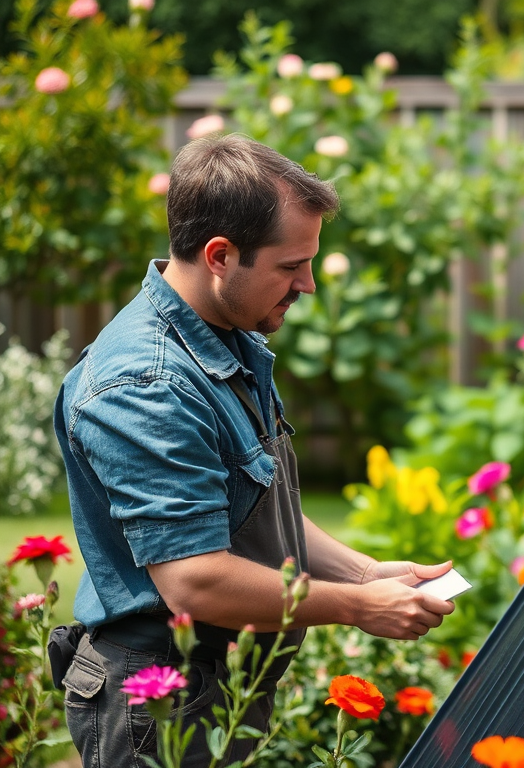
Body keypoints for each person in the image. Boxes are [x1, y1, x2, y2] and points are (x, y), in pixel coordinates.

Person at [51, 133, 455, 768]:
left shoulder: (223, 339)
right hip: (162, 702)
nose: (310, 284)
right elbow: (196, 580)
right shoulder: (147, 385)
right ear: (220, 255)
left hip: (215, 683)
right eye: (291, 266)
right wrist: (356, 606)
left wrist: (363, 572)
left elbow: (256, 498)